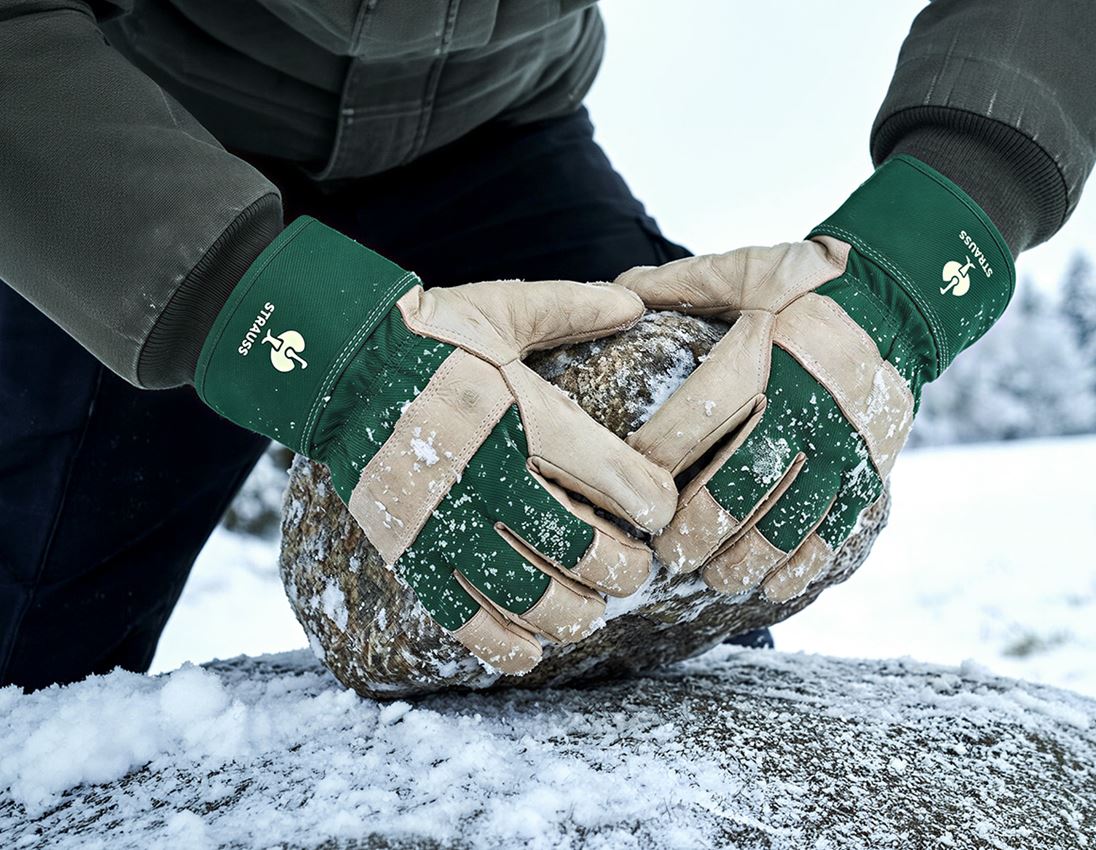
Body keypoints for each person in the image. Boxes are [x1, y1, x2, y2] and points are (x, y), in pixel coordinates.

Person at [2, 0, 1093, 690]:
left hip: (501, 130)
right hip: (126, 139)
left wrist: (920, 257)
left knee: (682, 548)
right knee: (32, 669)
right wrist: (273, 321)